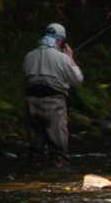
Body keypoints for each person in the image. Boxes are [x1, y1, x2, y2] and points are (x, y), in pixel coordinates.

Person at [22, 22, 83, 166]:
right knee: (58, 149)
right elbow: (77, 79)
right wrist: (71, 58)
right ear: (61, 41)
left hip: (31, 102)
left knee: (35, 148)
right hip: (54, 103)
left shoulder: (29, 56)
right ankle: (57, 179)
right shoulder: (63, 58)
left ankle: (33, 178)